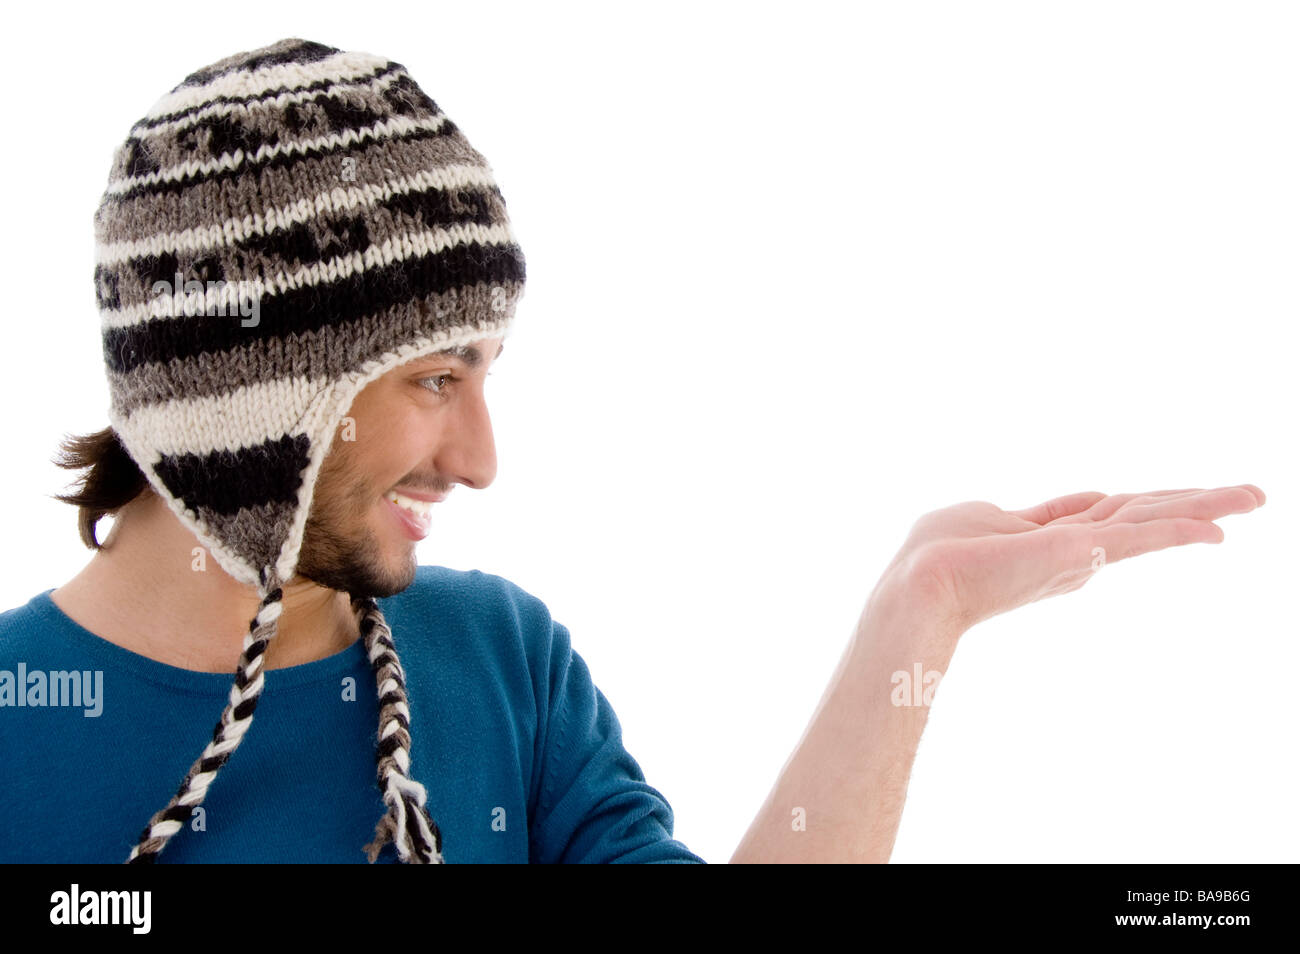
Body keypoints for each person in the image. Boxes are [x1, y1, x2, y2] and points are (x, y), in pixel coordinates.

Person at [0, 38, 1266, 864]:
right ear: (246, 395)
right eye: (436, 379)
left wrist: (914, 623)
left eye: (486, 376)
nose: (482, 459)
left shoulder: (497, 659)